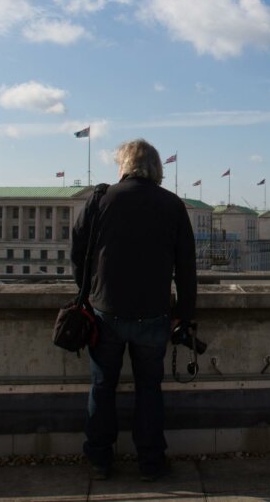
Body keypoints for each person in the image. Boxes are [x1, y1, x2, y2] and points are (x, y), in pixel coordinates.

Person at [71, 138, 197, 481]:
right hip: (154, 315)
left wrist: (86, 292)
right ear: (156, 169)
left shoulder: (100, 198)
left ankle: (99, 459)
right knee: (149, 391)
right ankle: (151, 462)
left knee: (102, 388)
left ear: (123, 166)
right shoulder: (172, 205)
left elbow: (77, 248)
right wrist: (184, 314)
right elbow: (186, 266)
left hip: (105, 312)